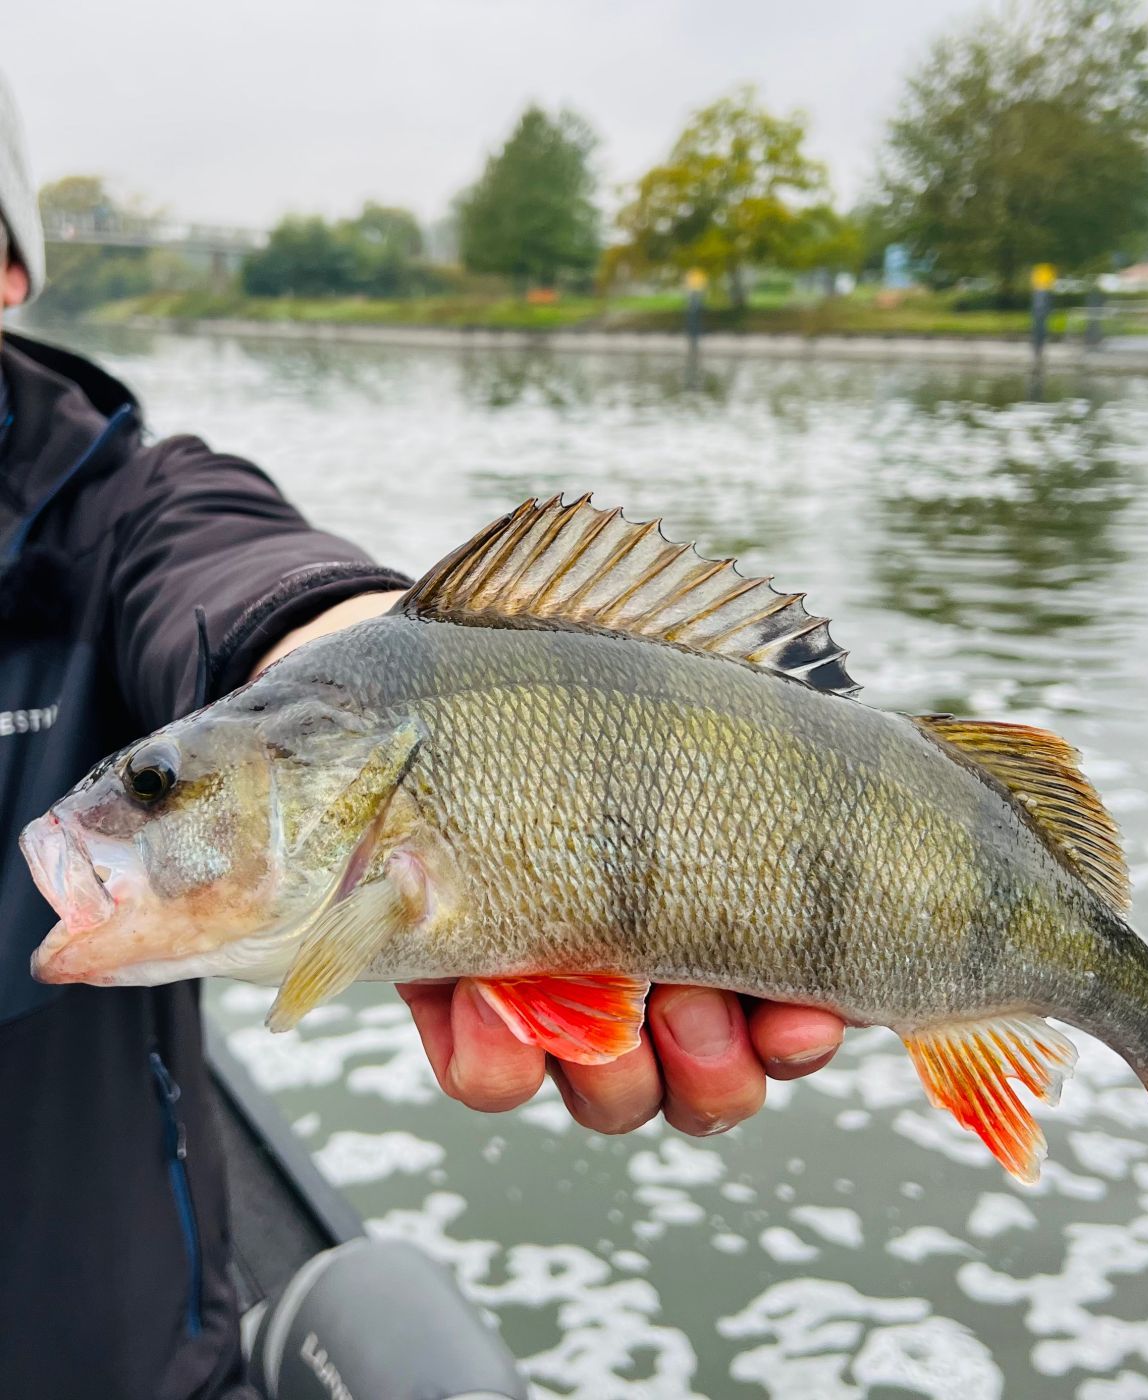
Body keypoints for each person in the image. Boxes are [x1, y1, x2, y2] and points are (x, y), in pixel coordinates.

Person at [0, 76, 845, 1399]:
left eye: (157, 787)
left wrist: (359, 658)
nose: (127, 814)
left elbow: (237, 576)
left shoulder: (133, 507)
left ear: (9, 267)